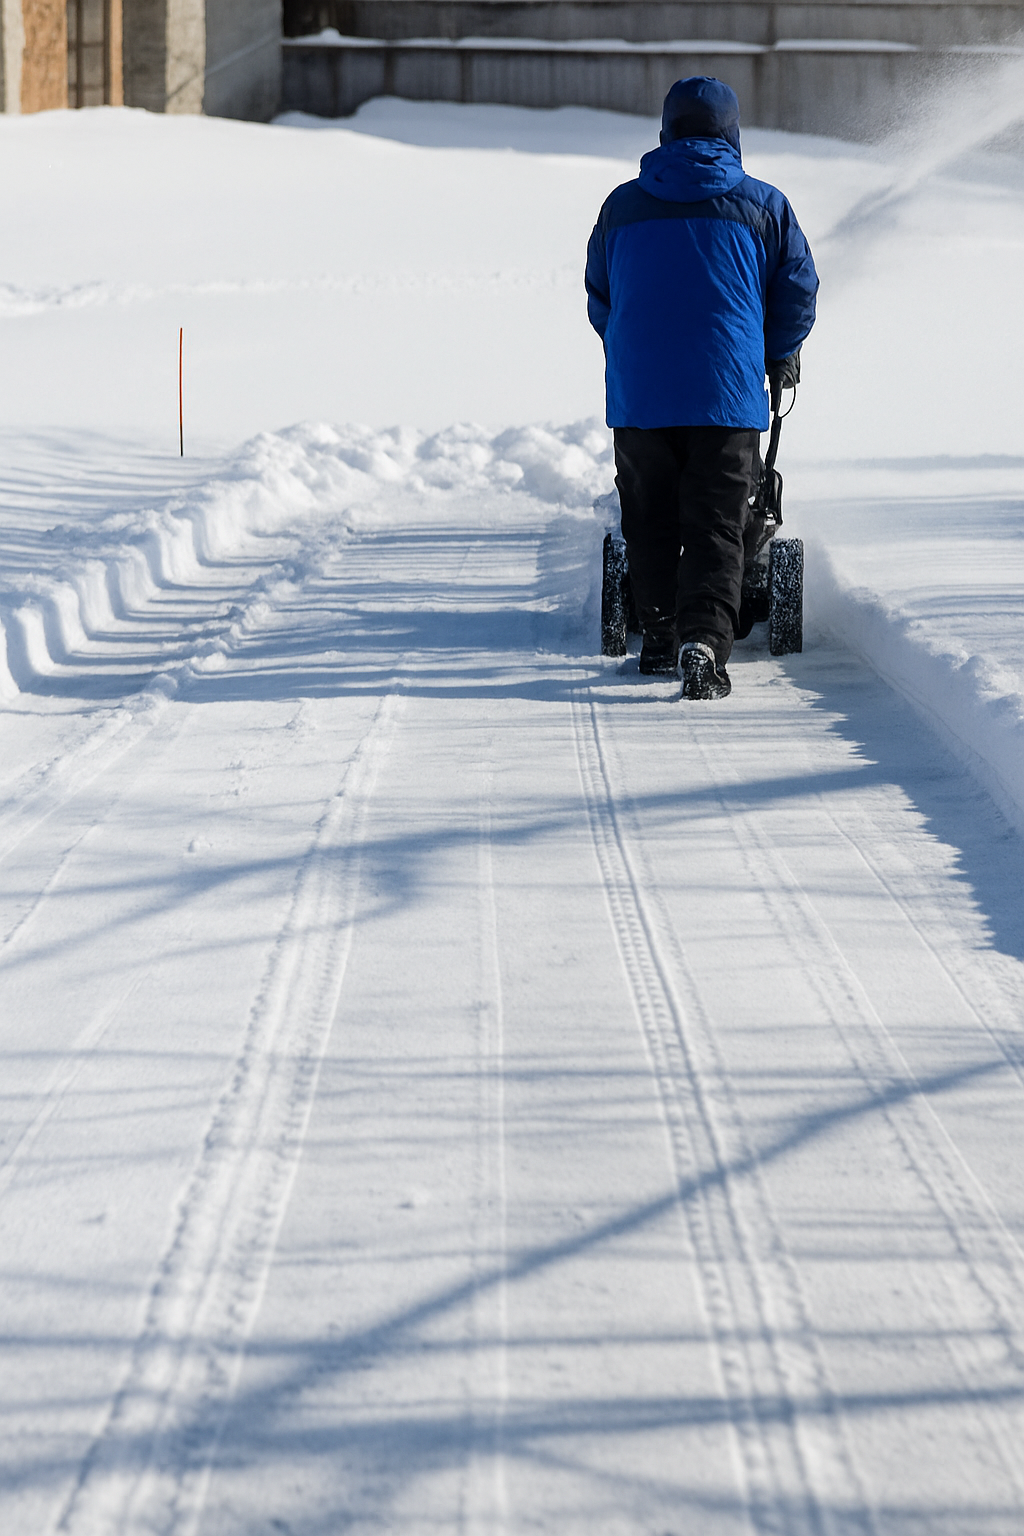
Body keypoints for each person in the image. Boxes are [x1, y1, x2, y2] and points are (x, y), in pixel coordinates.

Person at [585, 76, 819, 699]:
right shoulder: (765, 206)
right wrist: (778, 354)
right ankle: (703, 645)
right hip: (726, 393)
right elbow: (796, 292)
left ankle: (659, 633)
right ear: (732, 134)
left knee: (649, 515)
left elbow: (601, 298)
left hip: (640, 396)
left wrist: (633, 348)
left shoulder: (622, 207)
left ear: (666, 132)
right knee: (720, 522)